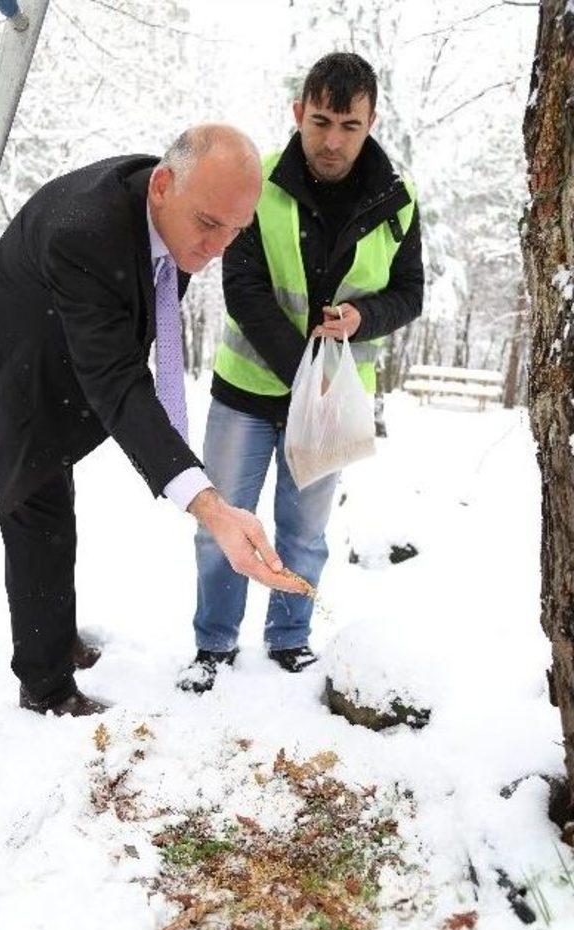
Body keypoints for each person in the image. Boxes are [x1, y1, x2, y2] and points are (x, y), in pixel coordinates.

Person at [0, 125, 301, 717]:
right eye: (210, 225)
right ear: (162, 185)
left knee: (54, 508)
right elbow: (116, 380)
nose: (217, 249)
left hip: (59, 348)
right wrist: (208, 504)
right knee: (38, 508)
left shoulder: (173, 210)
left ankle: (53, 634)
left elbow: (127, 327)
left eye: (236, 231)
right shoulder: (87, 232)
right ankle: (46, 685)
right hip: (2, 364)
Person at [181, 53, 424, 694]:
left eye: (349, 124)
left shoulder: (399, 202)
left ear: (370, 121)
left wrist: (362, 316)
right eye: (320, 121)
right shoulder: (258, 181)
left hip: (335, 405)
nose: (332, 140)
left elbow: (410, 294)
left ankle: (290, 638)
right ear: (299, 114)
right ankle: (213, 644)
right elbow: (244, 286)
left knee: (305, 532)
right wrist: (302, 376)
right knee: (222, 525)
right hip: (247, 394)